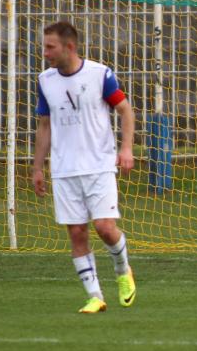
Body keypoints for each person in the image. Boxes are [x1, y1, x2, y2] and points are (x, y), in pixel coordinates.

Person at [32, 21, 136, 314]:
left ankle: (123, 270)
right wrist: (38, 168)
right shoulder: (45, 80)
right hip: (64, 170)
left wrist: (126, 149)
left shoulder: (100, 74)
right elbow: (44, 125)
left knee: (104, 228)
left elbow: (125, 110)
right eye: (44, 46)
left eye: (50, 47)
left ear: (69, 47)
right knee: (77, 233)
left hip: (99, 165)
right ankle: (95, 296)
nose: (46, 53)